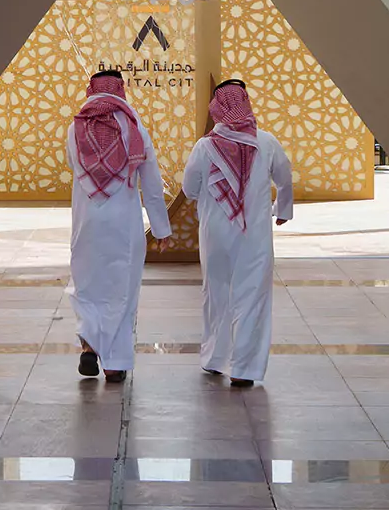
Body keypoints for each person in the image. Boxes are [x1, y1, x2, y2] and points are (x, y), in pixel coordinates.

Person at [182, 80, 293, 387]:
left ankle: (215, 360)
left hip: (214, 234)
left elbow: (189, 190)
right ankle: (244, 369)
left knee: (216, 295)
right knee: (252, 297)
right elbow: (285, 178)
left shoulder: (204, 147)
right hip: (254, 236)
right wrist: (283, 210)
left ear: (216, 108)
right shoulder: (267, 142)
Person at [66, 69, 172, 384]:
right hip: (123, 221)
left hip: (87, 221)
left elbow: (75, 167)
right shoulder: (134, 126)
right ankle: (115, 363)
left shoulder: (75, 127)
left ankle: (88, 344)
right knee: (122, 289)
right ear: (121, 89)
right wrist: (161, 228)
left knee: (88, 284)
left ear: (90, 89)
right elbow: (151, 182)